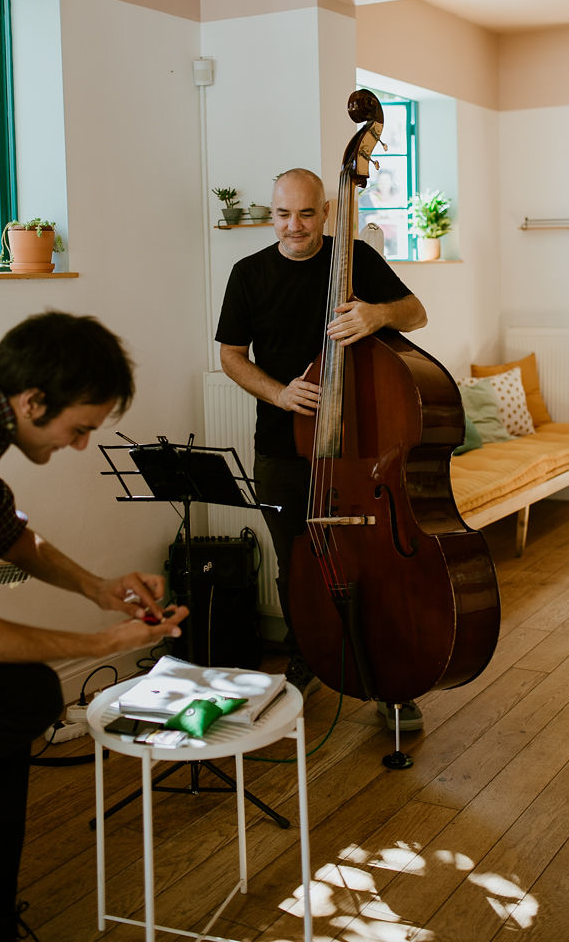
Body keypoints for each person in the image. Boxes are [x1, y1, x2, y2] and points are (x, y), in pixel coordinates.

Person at [0, 312, 189, 942]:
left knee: (14, 704)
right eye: (79, 429)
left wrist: (99, 589)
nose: (80, 445)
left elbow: (8, 529)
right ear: (33, 400)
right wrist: (108, 643)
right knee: (22, 697)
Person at [215, 168, 428, 731]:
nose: (294, 226)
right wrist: (280, 393)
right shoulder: (249, 273)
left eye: (306, 214)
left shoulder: (354, 257)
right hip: (281, 448)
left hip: (359, 445)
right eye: (283, 214)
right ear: (272, 212)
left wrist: (377, 313)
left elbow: (417, 312)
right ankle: (309, 662)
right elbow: (231, 356)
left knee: (372, 563)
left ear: (326, 211)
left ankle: (387, 680)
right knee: (298, 567)